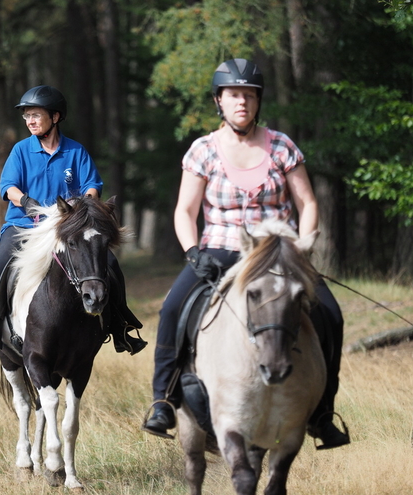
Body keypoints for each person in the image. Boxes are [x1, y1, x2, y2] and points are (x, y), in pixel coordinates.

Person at [141, 59, 350, 450]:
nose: (243, 102)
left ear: (258, 102)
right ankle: (163, 401)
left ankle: (322, 413)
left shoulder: (282, 146)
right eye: (234, 95)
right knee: (172, 309)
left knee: (330, 314)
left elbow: (307, 204)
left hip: (279, 254)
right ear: (219, 100)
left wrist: (303, 250)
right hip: (219, 251)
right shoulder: (203, 150)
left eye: (250, 96)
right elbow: (185, 211)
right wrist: (192, 251)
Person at [0, 85, 147, 370]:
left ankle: (121, 327)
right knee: (0, 268)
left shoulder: (75, 151)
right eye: (26, 116)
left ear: (55, 117)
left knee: (110, 264)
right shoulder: (21, 150)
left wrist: (83, 209)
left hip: (67, 227)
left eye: (35, 115)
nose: (29, 120)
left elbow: (92, 186)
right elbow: (7, 187)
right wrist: (26, 202)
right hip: (24, 225)